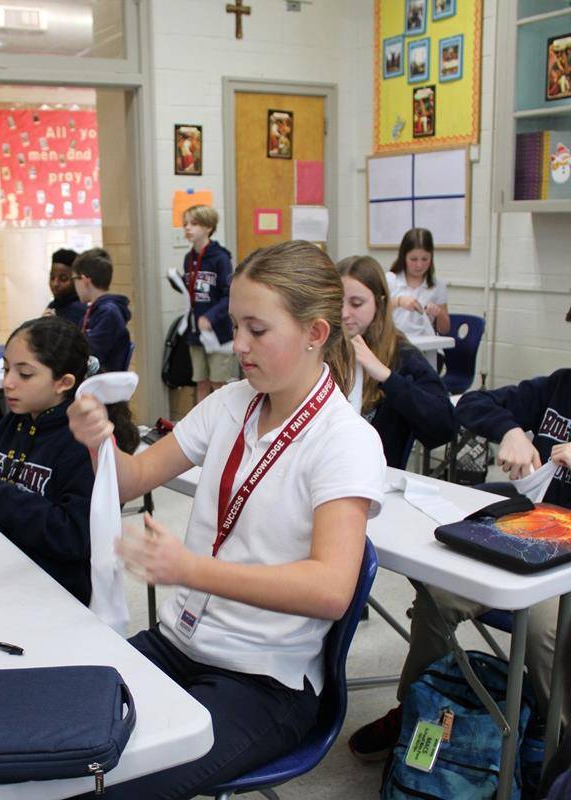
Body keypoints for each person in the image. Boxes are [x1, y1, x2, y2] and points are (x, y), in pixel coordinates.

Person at [68, 240, 386, 799]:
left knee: (112, 786)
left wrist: (189, 569)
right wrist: (99, 441)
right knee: (59, 738)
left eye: (256, 330)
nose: (238, 344)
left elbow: (332, 589)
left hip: (262, 680)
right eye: (236, 324)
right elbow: (136, 477)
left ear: (315, 333)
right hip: (180, 644)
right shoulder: (233, 402)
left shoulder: (345, 441)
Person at [348, 361, 571, 763]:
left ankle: (558, 743)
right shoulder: (559, 385)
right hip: (532, 540)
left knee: (541, 627)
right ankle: (416, 707)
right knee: (439, 596)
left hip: (563, 571)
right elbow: (472, 403)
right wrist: (511, 430)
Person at [0, 316, 137, 605]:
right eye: (6, 369)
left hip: (53, 592)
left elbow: (72, 536)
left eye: (25, 374)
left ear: (63, 383)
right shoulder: (16, 421)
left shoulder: (83, 443)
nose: (8, 383)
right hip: (3, 568)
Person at [337, 255, 455, 468]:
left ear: (380, 303)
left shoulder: (403, 355)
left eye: (356, 303)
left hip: (375, 478)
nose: (344, 314)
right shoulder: (321, 347)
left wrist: (386, 376)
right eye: (337, 303)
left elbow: (444, 426)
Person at [181, 204, 237, 403]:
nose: (188, 228)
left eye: (194, 224)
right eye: (185, 224)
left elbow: (229, 295)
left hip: (218, 332)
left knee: (218, 383)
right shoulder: (189, 258)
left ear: (208, 227)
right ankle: (200, 428)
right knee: (201, 382)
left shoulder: (220, 258)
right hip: (196, 332)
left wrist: (211, 317)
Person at [73, 248, 132, 372]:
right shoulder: (95, 311)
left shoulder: (108, 313)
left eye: (74, 279)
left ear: (84, 281)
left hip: (101, 383)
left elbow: (90, 355)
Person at [387, 228, 450, 338]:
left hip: (427, 347)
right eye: (413, 259)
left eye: (425, 259)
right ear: (404, 257)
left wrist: (438, 313)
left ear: (431, 257)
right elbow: (375, 315)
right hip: (395, 344)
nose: (419, 265)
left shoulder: (438, 286)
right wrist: (398, 302)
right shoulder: (390, 280)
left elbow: (445, 330)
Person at [45, 247, 86, 325]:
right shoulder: (54, 305)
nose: (55, 284)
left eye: (63, 279)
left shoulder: (79, 309)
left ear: (76, 279)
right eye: (52, 277)